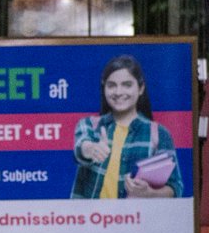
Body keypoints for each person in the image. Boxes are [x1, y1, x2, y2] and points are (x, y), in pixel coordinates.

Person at [71, 54, 182, 199]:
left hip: (137, 219)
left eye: (127, 85)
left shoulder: (159, 134)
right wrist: (90, 149)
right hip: (90, 219)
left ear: (141, 88)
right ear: (104, 89)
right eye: (112, 85)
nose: (118, 92)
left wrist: (150, 194)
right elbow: (81, 147)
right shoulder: (89, 125)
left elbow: (175, 187)